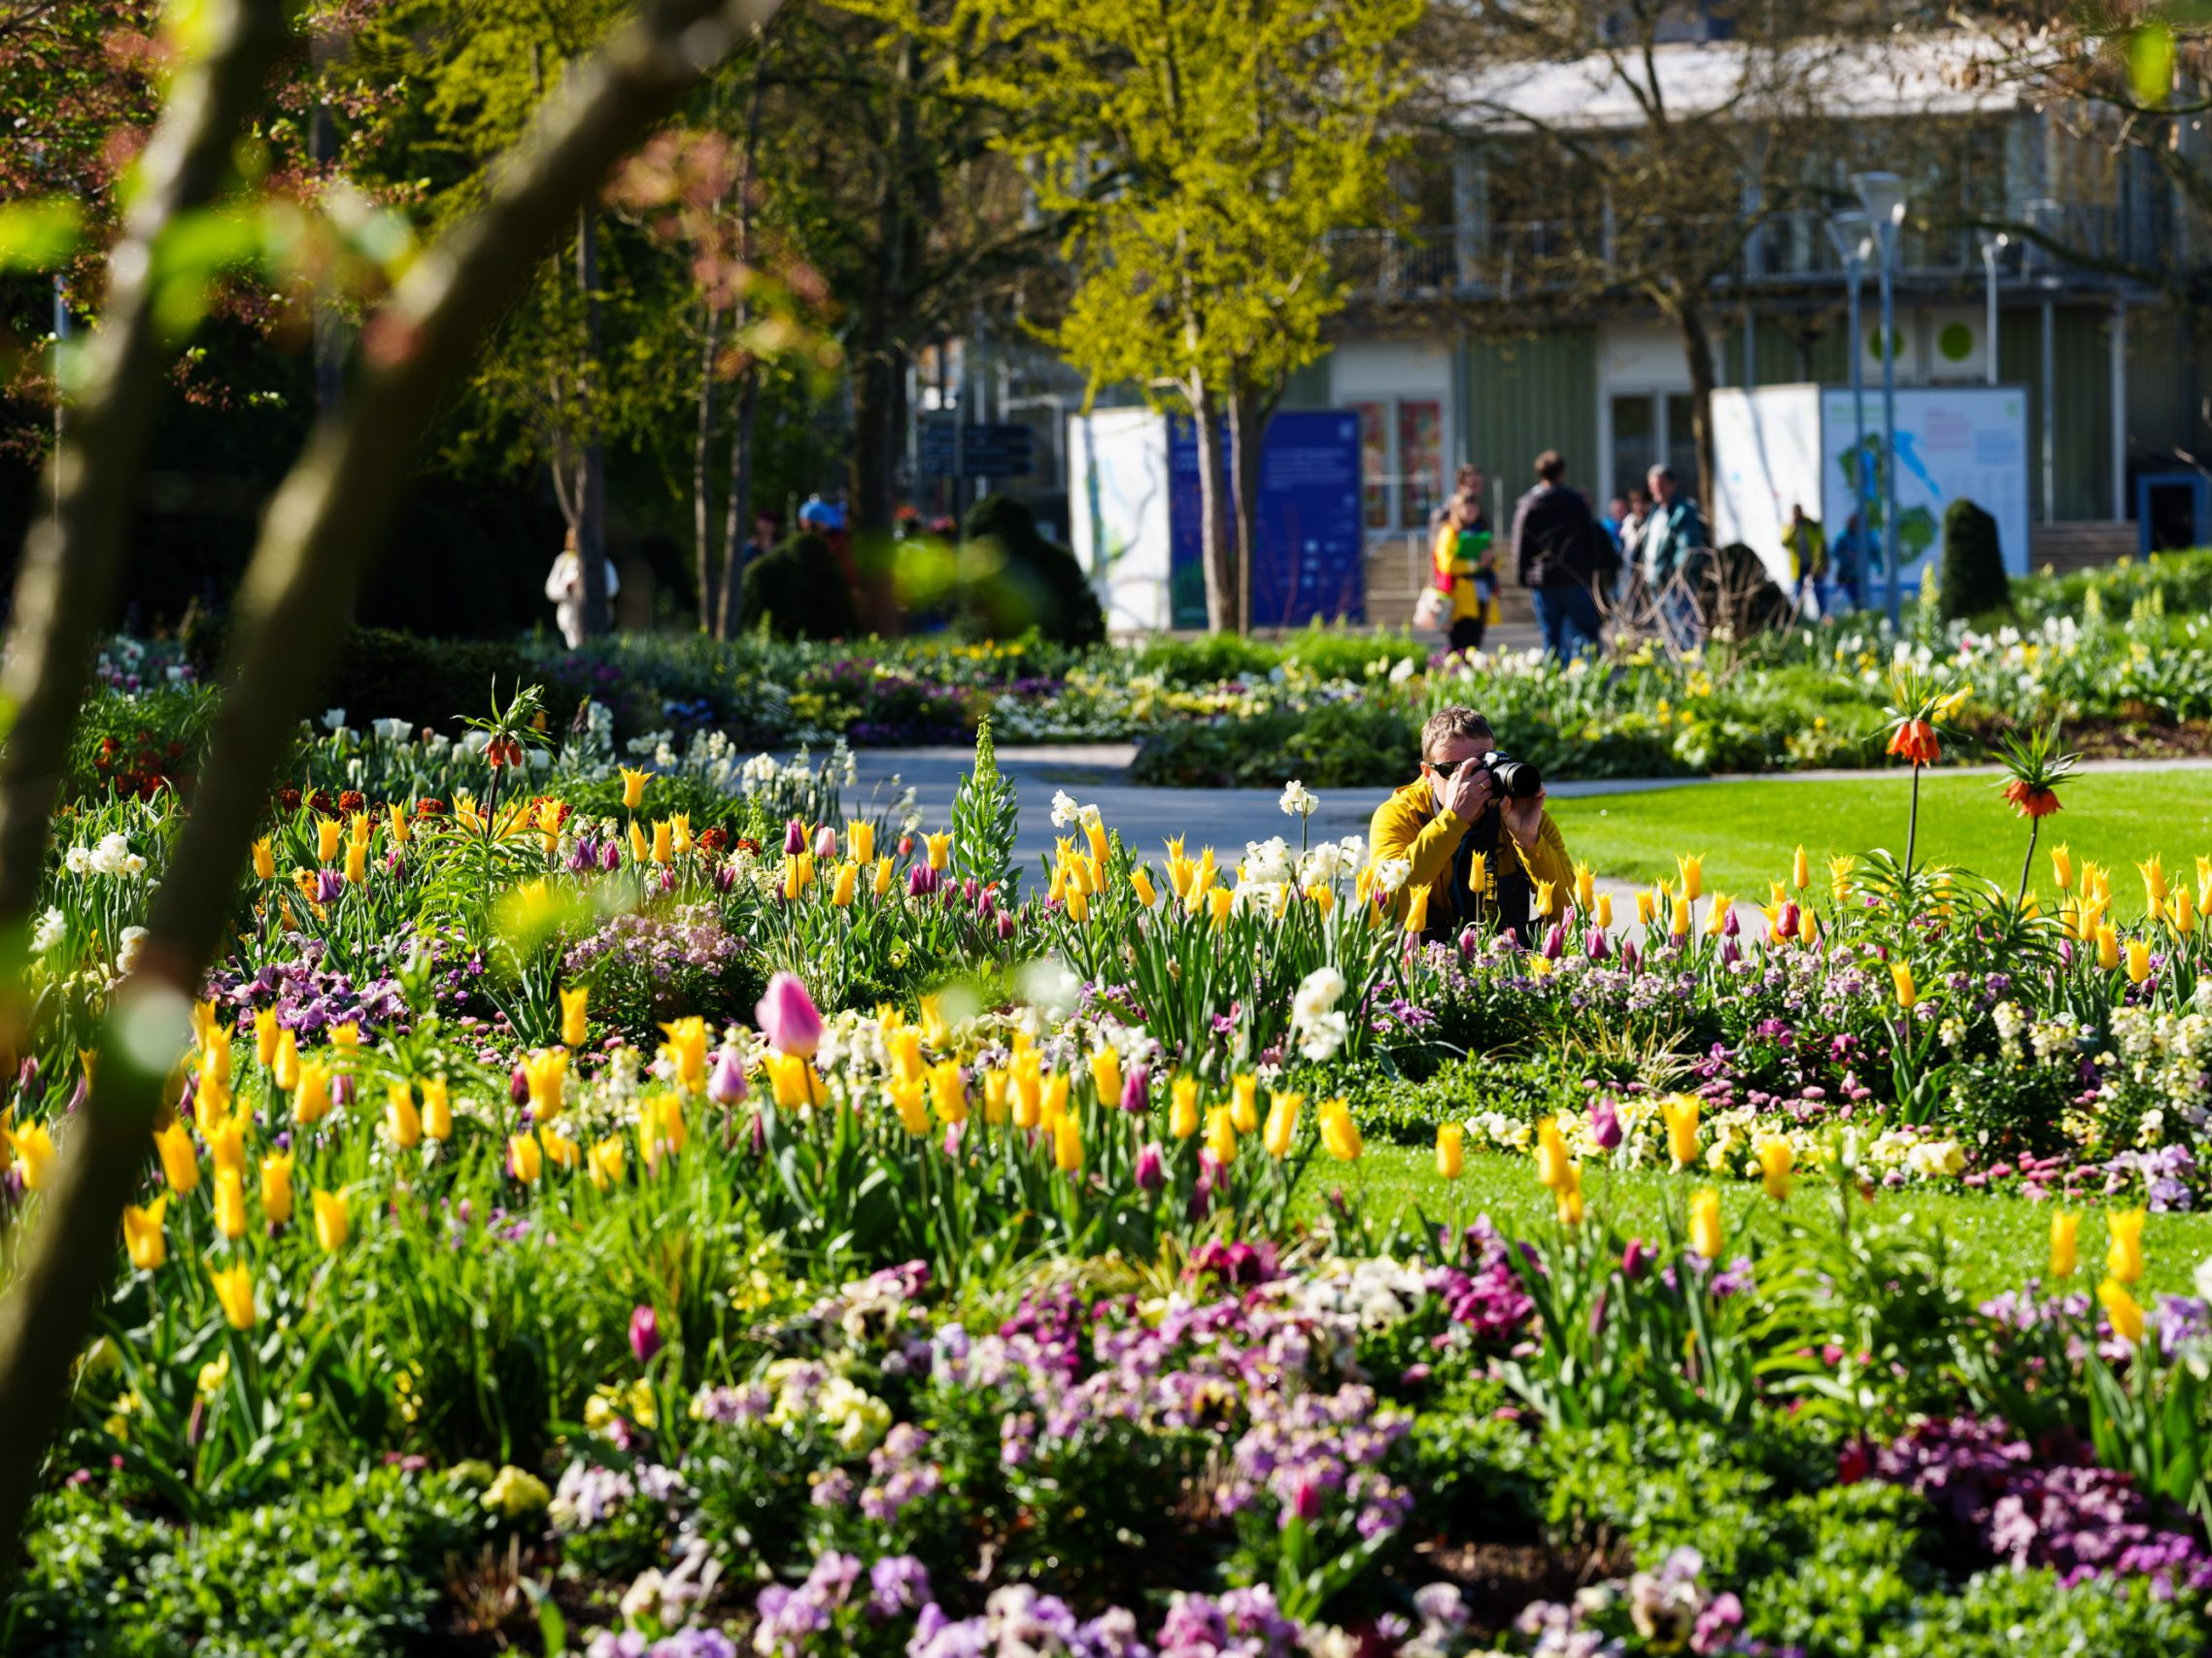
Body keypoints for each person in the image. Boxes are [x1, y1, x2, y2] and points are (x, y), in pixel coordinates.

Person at [1368, 705, 1574, 948]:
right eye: (1452, 770)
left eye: (1479, 768)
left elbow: (1572, 914)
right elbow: (1386, 906)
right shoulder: (1400, 814)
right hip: (1420, 966)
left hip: (1506, 962)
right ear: (1427, 774)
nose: (1470, 781)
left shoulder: (1519, 812)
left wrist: (1529, 842)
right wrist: (1452, 820)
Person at [1511, 450, 1616, 663]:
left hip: (1543, 579)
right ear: (1561, 473)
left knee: (1551, 635)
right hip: (1573, 577)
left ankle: (1555, 683)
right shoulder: (1574, 501)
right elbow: (1590, 537)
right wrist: (1592, 570)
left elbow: (1520, 544)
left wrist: (1522, 575)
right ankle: (1593, 677)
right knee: (1587, 631)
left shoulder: (1528, 504)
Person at [1640, 464, 1711, 651]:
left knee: (1684, 630)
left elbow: (1688, 547)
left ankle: (1693, 670)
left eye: (1661, 484)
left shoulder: (1683, 511)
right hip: (1656, 582)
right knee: (1667, 633)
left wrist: (1677, 577)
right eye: (1653, 485)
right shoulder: (1655, 512)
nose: (1657, 489)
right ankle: (1678, 670)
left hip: (1675, 584)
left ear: (1673, 484)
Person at [1430, 490, 1495, 656]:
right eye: (1466, 505)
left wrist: (1491, 559)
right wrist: (1474, 565)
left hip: (1480, 592)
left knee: (1475, 641)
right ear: (1456, 509)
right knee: (1460, 641)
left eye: (1474, 504)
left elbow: (1495, 560)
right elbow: (1447, 563)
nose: (1470, 508)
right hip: (1458, 596)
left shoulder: (1481, 531)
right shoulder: (1449, 532)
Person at [544, 525, 620, 650]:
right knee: (576, 652)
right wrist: (567, 588)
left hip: (597, 617)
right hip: (570, 618)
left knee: (597, 650)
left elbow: (613, 588)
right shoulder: (563, 560)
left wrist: (594, 589)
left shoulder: (600, 560)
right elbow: (551, 590)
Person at [1781, 502, 1826, 617]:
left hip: (1813, 563)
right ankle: (1799, 617)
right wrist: (1793, 529)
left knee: (1819, 590)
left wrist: (1824, 561)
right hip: (1798, 565)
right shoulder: (1789, 526)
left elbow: (1822, 541)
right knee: (1798, 592)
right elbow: (1785, 543)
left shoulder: (1810, 524)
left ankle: (1823, 615)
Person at [1828, 510, 1874, 614]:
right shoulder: (1843, 537)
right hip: (1846, 576)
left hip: (1860, 575)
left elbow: (1873, 552)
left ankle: (1860, 616)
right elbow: (1836, 553)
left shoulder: (1866, 536)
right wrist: (1848, 557)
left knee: (1861, 601)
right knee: (1844, 600)